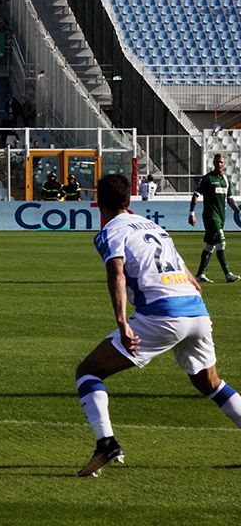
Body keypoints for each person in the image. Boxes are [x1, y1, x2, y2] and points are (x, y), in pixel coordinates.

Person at [75, 174, 241, 477]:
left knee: (88, 372)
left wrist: (123, 322)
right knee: (210, 384)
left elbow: (117, 274)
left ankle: (106, 443)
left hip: (162, 314)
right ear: (130, 200)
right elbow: (190, 276)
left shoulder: (111, 231)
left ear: (98, 201)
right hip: (196, 310)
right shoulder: (153, 226)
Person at [189, 153, 241, 283]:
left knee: (210, 245)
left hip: (221, 216)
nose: (219, 164)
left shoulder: (226, 180)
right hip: (211, 216)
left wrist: (238, 211)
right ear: (213, 163)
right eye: (217, 162)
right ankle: (228, 274)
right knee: (221, 242)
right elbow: (195, 195)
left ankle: (200, 274)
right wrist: (191, 213)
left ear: (225, 164)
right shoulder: (207, 179)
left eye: (221, 162)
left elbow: (229, 199)